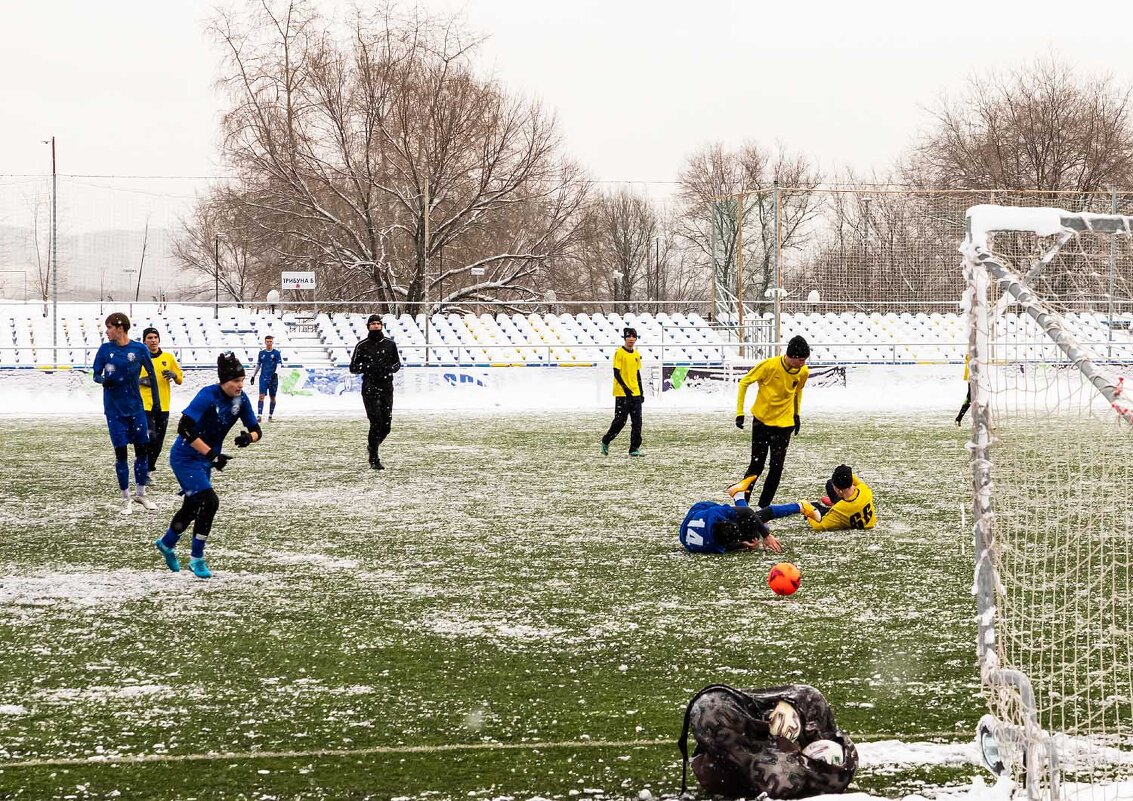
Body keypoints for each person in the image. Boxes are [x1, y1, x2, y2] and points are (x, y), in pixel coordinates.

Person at [154, 352, 262, 579]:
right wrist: (212, 454)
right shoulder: (207, 396)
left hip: (206, 459)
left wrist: (248, 438)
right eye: (235, 381)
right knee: (210, 502)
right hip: (185, 457)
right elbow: (184, 427)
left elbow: (257, 431)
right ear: (224, 381)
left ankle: (166, 543)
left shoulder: (241, 400)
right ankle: (197, 558)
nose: (240, 385)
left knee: (192, 508)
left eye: (242, 380)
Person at [678, 683, 858, 799]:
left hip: (729, 766)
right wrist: (790, 704)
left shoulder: (786, 777)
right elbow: (809, 694)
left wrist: (780, 739)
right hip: (735, 739)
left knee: (712, 711)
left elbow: (708, 706)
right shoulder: (820, 723)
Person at [92, 312, 162, 515]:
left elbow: (152, 375)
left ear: (120, 328)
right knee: (121, 453)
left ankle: (141, 493)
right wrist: (104, 380)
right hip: (115, 411)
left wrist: (156, 403)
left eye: (109, 327)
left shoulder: (139, 349)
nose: (107, 331)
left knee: (142, 451)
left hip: (136, 409)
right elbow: (94, 374)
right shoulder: (105, 350)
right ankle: (126, 498)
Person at [730, 335, 810, 508]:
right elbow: (744, 382)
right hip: (762, 423)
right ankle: (742, 506)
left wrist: (796, 415)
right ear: (792, 356)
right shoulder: (769, 366)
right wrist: (739, 413)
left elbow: (797, 391)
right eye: (802, 360)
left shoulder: (803, 372)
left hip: (784, 426)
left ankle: (762, 509)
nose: (804, 363)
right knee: (756, 466)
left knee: (776, 468)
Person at [349, 314, 402, 470]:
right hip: (370, 388)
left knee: (386, 426)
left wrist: (390, 369)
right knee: (376, 422)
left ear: (382, 326)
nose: (376, 326)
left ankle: (373, 446)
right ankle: (374, 459)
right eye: (372, 324)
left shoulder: (390, 344)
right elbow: (353, 368)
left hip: (386, 387)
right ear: (368, 326)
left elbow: (397, 363)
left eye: (378, 323)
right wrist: (368, 367)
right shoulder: (362, 346)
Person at [679, 497, 821, 555]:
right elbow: (727, 546)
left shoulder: (715, 514)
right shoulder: (712, 546)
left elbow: (747, 512)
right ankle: (739, 494)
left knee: (753, 520)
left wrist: (767, 535)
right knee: (752, 532)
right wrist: (743, 544)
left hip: (701, 509)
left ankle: (800, 506)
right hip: (695, 520)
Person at [138, 327, 183, 480]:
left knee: (158, 442)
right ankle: (141, 469)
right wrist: (140, 381)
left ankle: (148, 470)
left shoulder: (168, 358)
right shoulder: (139, 358)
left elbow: (180, 380)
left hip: (163, 406)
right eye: (149, 337)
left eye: (155, 337)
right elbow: (128, 380)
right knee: (149, 438)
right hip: (145, 406)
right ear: (144, 341)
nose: (153, 340)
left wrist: (174, 374)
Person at [600, 327, 645, 457]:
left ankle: (634, 448)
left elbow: (637, 373)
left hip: (635, 393)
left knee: (637, 422)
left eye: (633, 336)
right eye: (629, 336)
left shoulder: (636, 354)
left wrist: (640, 392)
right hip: (622, 393)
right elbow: (616, 372)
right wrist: (625, 388)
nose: (631, 339)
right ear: (625, 338)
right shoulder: (619, 353)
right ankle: (606, 440)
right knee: (620, 421)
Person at [807, 464, 876, 531]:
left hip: (844, 514)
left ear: (839, 491)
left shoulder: (839, 509)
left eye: (834, 487)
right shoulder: (864, 490)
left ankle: (830, 506)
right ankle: (832, 503)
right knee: (830, 483)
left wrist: (807, 513)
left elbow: (818, 526)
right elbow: (850, 477)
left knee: (814, 506)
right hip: (855, 510)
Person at [249, 335, 284, 421]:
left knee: (272, 397)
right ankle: (259, 416)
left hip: (273, 378)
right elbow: (258, 365)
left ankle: (270, 415)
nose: (269, 343)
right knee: (261, 396)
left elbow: (279, 365)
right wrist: (253, 375)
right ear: (265, 342)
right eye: (267, 341)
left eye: (270, 341)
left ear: (272, 342)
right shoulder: (261, 353)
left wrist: (276, 373)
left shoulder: (276, 353)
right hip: (263, 377)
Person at [955, 355, 971, 426]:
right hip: (972, 381)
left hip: (980, 381)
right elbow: (967, 357)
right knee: (969, 401)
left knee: (983, 400)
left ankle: (988, 422)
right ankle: (958, 418)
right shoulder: (971, 355)